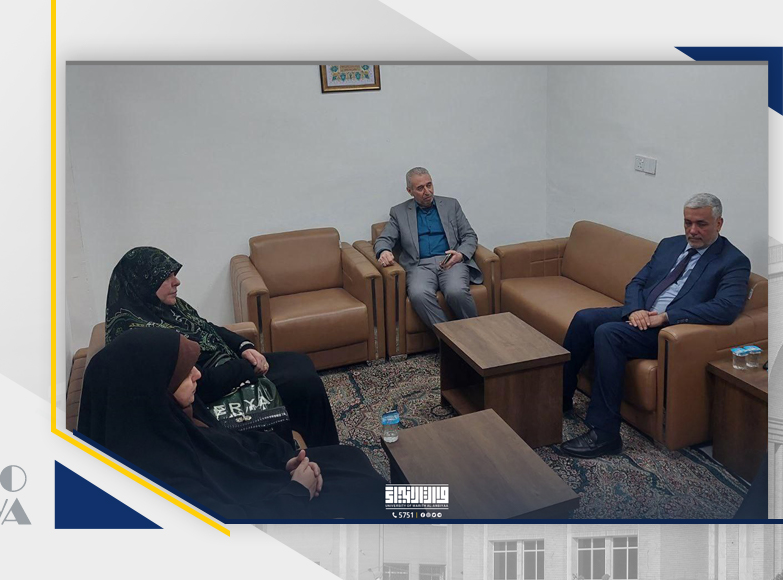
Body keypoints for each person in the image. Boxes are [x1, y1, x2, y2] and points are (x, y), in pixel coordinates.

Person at [77, 327, 389, 519]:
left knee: (350, 457)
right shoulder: (159, 476)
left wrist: (285, 460)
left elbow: (234, 442)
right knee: (370, 491)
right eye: (185, 372)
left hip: (264, 478)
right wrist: (297, 491)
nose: (198, 374)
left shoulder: (174, 416)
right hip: (275, 509)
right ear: (153, 389)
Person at [560, 193, 750, 458]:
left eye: (701, 224)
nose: (692, 231)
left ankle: (605, 434)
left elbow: (725, 308)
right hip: (641, 314)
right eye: (688, 223)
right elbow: (637, 282)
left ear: (719, 223)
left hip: (667, 330)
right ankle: (560, 398)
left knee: (608, 333)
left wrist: (666, 317)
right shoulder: (670, 245)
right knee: (584, 318)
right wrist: (635, 310)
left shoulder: (733, 261)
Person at [105, 246, 339, 447]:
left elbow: (207, 327)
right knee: (304, 384)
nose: (177, 281)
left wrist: (244, 346)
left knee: (300, 361)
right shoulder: (141, 336)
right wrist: (247, 368)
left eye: (174, 274)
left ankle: (315, 445)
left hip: (229, 366)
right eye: (167, 277)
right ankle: (318, 453)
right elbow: (197, 384)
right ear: (143, 283)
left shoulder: (165, 307)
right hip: (213, 392)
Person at [374, 167, 481, 329]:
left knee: (456, 291)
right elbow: (384, 239)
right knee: (418, 294)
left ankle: (477, 333)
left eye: (429, 185)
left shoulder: (451, 205)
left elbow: (469, 235)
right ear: (409, 191)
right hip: (419, 266)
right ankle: (448, 338)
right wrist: (384, 251)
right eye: (420, 188)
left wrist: (460, 254)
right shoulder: (399, 212)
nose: (427, 191)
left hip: (451, 262)